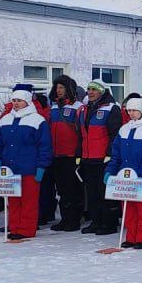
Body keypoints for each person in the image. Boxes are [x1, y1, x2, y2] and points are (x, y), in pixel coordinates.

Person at [0, 90, 52, 241]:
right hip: (9, 169)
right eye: (14, 100)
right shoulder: (5, 120)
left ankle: (26, 229)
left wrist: (41, 166)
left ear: (27, 101)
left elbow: (45, 145)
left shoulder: (37, 120)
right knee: (13, 201)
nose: (16, 103)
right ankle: (14, 227)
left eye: (19, 100)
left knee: (29, 200)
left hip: (29, 167)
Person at [103, 97, 142, 249]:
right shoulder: (124, 129)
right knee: (128, 210)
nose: (130, 113)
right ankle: (131, 236)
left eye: (134, 110)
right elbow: (116, 154)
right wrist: (110, 171)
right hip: (125, 179)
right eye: (128, 110)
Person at [77, 80, 123, 236]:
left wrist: (109, 154)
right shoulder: (83, 109)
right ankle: (96, 222)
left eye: (94, 90)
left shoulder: (111, 108)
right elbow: (81, 135)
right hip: (88, 158)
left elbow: (114, 134)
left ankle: (109, 223)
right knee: (92, 193)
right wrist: (79, 156)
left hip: (103, 158)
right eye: (88, 89)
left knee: (105, 193)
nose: (90, 92)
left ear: (102, 92)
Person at [45, 75, 83, 232]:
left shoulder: (78, 107)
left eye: (62, 87)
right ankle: (65, 218)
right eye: (57, 87)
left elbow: (82, 133)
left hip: (71, 155)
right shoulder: (53, 108)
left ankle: (74, 220)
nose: (58, 90)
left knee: (72, 189)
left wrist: (79, 154)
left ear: (69, 89)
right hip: (56, 155)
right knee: (61, 190)